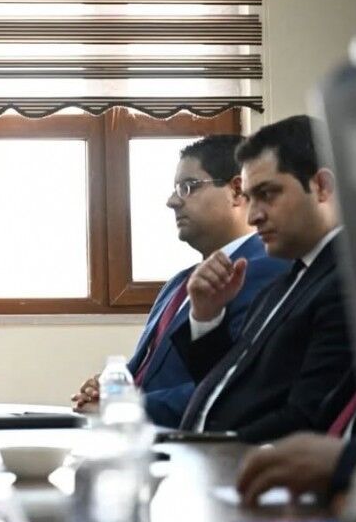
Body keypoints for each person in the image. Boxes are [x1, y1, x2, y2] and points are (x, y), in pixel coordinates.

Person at [72, 135, 289, 426]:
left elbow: (235, 385)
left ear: (237, 191)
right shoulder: (177, 285)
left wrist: (126, 406)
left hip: (193, 441)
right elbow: (147, 376)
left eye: (188, 187)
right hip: (139, 438)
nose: (172, 201)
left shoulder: (267, 270)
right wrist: (109, 388)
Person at [174, 115, 353, 442]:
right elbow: (228, 389)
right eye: (250, 197)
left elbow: (306, 419)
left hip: (248, 466)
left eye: (267, 194)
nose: (253, 215)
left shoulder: (346, 285)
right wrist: (207, 316)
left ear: (321, 187)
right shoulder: (282, 285)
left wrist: (198, 447)